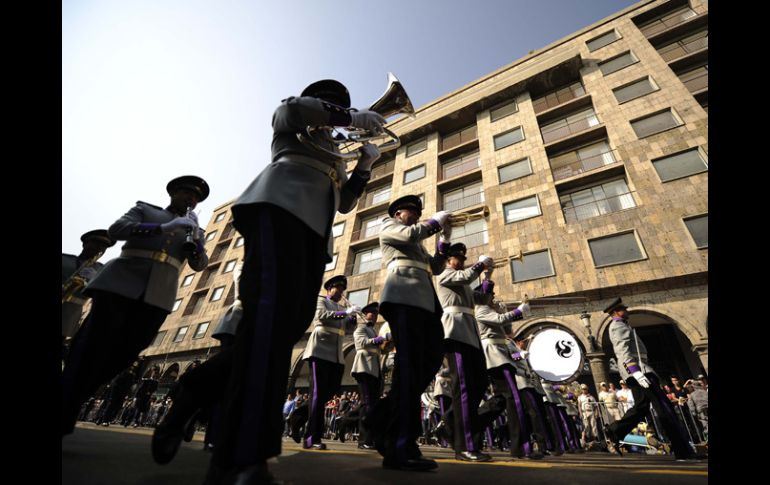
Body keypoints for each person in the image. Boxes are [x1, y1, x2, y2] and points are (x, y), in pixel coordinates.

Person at [202, 79, 384, 483]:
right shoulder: (295, 118)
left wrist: (365, 166)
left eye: (341, 104)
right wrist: (352, 116)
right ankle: (245, 454)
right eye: (330, 103)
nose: (335, 107)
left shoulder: (335, 151)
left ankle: (194, 395)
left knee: (281, 330)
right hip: (278, 206)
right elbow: (290, 109)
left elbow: (346, 203)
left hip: (314, 231)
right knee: (266, 322)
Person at [61, 175, 210, 438]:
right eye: (186, 193)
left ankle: (73, 395)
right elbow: (117, 230)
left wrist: (196, 239)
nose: (191, 199)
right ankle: (67, 403)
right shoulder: (147, 210)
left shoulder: (196, 229)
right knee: (91, 347)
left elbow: (199, 264)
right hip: (120, 284)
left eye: (195, 198)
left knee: (127, 353)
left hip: (157, 295)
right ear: (173, 193)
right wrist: (163, 228)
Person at [366, 194, 450, 471]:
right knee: (409, 369)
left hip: (425, 303)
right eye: (411, 211)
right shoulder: (389, 226)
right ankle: (401, 446)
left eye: (418, 212)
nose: (415, 215)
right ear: (398, 213)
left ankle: (380, 416)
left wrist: (444, 241)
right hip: (403, 297)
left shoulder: (417, 246)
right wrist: (434, 223)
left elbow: (436, 268)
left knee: (431, 360)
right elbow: (412, 233)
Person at [601, 297, 698, 460]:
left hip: (638, 370)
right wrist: (636, 372)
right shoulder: (617, 326)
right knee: (664, 408)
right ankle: (683, 451)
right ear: (616, 312)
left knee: (642, 407)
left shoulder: (623, 325)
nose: (626, 310)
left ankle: (615, 430)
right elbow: (622, 351)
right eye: (623, 309)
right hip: (639, 371)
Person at [436, 242, 493, 462]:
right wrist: (479, 266)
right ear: (448, 260)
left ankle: (449, 423)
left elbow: (483, 300)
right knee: (464, 387)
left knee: (478, 384)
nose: (460, 261)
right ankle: (466, 445)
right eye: (456, 258)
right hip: (455, 332)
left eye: (462, 258)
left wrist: (487, 275)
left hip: (471, 333)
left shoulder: (464, 280)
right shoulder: (444, 275)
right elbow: (466, 277)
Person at [474, 277, 538, 459]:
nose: (493, 298)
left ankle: (470, 425)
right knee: (514, 399)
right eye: (490, 295)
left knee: (501, 401)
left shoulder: (488, 308)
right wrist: (519, 311)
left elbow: (507, 328)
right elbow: (500, 320)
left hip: (501, 355)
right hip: (495, 356)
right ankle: (522, 448)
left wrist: (507, 309)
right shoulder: (481, 309)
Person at [302, 275, 358, 450]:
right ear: (329, 288)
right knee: (318, 395)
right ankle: (312, 437)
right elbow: (322, 316)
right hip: (319, 349)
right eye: (338, 288)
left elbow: (347, 329)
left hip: (335, 354)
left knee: (331, 391)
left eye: (343, 289)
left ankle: (298, 415)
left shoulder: (341, 307)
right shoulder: (321, 301)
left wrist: (352, 319)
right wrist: (345, 313)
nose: (341, 291)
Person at [62, 229, 116, 355]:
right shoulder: (65, 259)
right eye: (96, 243)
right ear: (85, 244)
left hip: (71, 314)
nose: (100, 249)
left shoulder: (101, 270)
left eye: (104, 247)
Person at [350, 302, 385, 449]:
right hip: (363, 366)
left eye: (376, 314)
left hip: (374, 368)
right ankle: (363, 440)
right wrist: (378, 340)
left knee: (373, 404)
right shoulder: (361, 328)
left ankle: (368, 437)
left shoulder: (373, 330)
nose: (375, 316)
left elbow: (378, 348)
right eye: (372, 313)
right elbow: (362, 343)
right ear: (365, 314)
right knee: (366, 403)